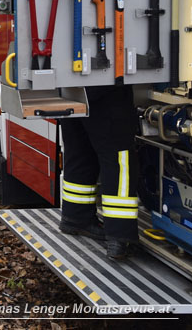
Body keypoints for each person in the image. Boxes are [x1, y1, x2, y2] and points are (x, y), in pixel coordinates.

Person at [58, 85, 139, 260]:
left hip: (69, 88)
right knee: (119, 159)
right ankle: (119, 236)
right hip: (106, 88)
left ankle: (75, 217)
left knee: (79, 151)